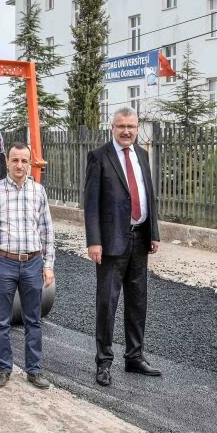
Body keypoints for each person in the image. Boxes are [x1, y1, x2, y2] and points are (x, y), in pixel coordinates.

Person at [84, 107, 161, 387]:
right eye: (121, 126)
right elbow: (90, 203)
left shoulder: (141, 154)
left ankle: (134, 356)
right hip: (111, 242)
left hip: (139, 239)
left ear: (137, 127)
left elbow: (148, 195)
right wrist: (94, 241)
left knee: (138, 300)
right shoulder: (99, 157)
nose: (126, 131)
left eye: (131, 126)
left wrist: (153, 232)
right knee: (107, 303)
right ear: (112, 128)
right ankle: (104, 362)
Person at [0, 142, 56, 390]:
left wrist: (48, 264)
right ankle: (4, 369)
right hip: (3, 263)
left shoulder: (38, 191)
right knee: (2, 321)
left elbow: (46, 229)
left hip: (32, 262)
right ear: (7, 162)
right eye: (15, 160)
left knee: (33, 320)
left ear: (29, 163)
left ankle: (34, 370)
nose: (19, 165)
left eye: (24, 160)